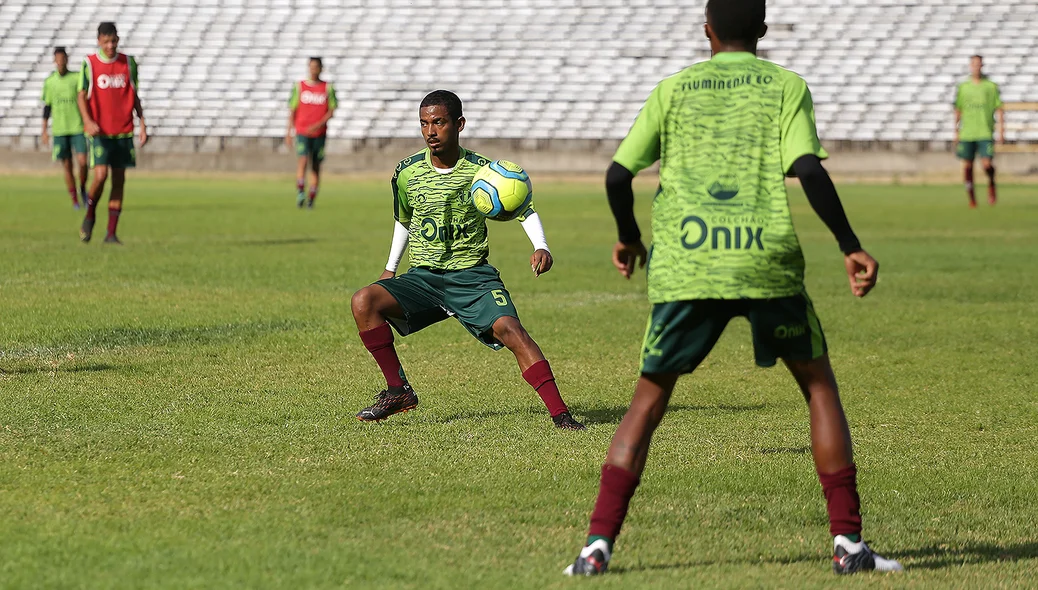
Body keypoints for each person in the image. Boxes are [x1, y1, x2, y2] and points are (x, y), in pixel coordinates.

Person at [563, 0, 901, 576]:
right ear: (763, 30)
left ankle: (596, 548)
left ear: (707, 31)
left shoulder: (674, 90)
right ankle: (847, 545)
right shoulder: (785, 86)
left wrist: (629, 236)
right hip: (763, 260)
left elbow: (618, 174)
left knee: (647, 401)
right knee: (818, 387)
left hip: (687, 264)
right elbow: (810, 169)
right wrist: (849, 244)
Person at [349, 90, 584, 430]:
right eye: (424, 123)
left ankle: (562, 415)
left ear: (459, 124)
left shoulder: (484, 172)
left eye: (439, 122)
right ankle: (398, 391)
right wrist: (390, 268)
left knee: (512, 331)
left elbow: (524, 209)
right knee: (363, 301)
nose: (431, 131)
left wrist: (541, 246)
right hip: (424, 279)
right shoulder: (406, 172)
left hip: (472, 278)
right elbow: (404, 219)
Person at [77, 22, 147, 244]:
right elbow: (81, 95)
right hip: (100, 133)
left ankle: (111, 233)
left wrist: (142, 122)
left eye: (113, 41)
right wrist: (88, 121)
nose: (110, 45)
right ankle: (90, 214)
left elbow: (134, 94)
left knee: (119, 180)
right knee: (100, 176)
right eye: (106, 41)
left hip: (124, 131)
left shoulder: (128, 63)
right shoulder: (90, 64)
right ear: (99, 41)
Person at [285, 57, 336, 208]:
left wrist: (318, 125)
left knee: (315, 166)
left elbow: (331, 110)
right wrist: (289, 132)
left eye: (316, 67)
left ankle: (311, 198)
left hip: (319, 133)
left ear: (321, 68)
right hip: (302, 131)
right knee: (303, 160)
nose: (313, 70)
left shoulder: (327, 87)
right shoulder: (299, 86)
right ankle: (300, 192)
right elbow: (292, 109)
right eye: (311, 67)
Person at [41, 46, 89, 209]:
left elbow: (85, 99)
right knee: (67, 166)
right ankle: (75, 199)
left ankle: (83, 188)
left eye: (63, 59)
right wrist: (44, 130)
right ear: (55, 61)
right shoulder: (50, 82)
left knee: (83, 162)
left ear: (67, 60)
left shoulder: (76, 78)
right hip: (60, 130)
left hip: (78, 127)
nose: (61, 62)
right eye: (58, 59)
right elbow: (47, 107)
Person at [954, 55, 1004, 207]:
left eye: (978, 64)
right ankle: (972, 199)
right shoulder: (963, 87)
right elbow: (958, 110)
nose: (976, 67)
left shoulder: (990, 86)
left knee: (986, 164)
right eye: (973, 64)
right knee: (967, 165)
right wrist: (956, 131)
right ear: (970, 66)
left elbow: (999, 108)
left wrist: (1001, 129)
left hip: (984, 131)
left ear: (982, 66)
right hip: (967, 132)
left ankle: (991, 182)